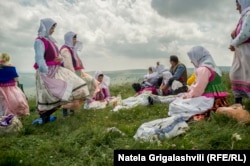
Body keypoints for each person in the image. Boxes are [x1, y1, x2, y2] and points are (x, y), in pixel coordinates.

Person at [33, 18, 89, 124]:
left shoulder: (51, 41)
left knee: (68, 90)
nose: (53, 30)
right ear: (46, 27)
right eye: (52, 27)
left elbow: (57, 56)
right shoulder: (39, 41)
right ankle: (45, 118)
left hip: (56, 70)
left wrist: (59, 59)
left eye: (54, 27)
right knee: (49, 97)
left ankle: (46, 117)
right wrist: (46, 73)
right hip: (46, 73)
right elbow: (39, 59)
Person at [168, 46, 228, 121]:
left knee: (174, 105)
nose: (191, 61)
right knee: (179, 99)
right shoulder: (211, 67)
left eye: (191, 59)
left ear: (197, 57)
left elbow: (198, 89)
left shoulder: (203, 69)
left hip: (208, 100)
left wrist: (188, 96)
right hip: (217, 99)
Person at [60, 31, 98, 116]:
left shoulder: (72, 49)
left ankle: (72, 110)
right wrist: (73, 77)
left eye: (75, 38)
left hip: (76, 73)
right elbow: (68, 65)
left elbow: (77, 62)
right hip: (70, 75)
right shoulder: (65, 49)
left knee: (80, 89)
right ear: (69, 39)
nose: (75, 40)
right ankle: (65, 110)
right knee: (70, 92)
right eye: (73, 38)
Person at [229, 0, 250, 105]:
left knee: (248, 76)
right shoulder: (243, 16)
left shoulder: (249, 14)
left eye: (237, 4)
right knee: (235, 74)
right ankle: (238, 103)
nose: (237, 7)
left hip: (247, 51)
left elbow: (245, 34)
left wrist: (233, 43)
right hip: (241, 53)